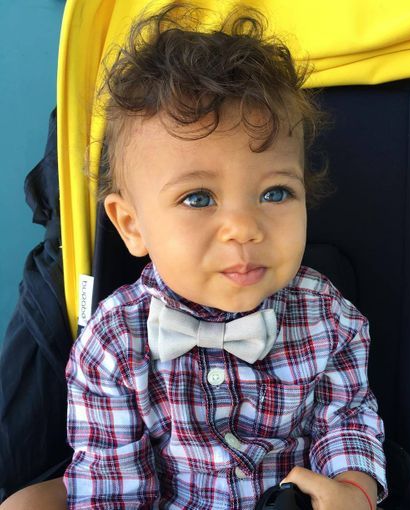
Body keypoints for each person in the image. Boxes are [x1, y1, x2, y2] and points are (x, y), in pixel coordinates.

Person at [1, 2, 387, 509]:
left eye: (275, 193)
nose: (244, 229)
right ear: (132, 226)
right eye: (198, 198)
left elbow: (348, 418)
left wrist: (353, 488)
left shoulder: (327, 316)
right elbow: (115, 486)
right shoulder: (114, 342)